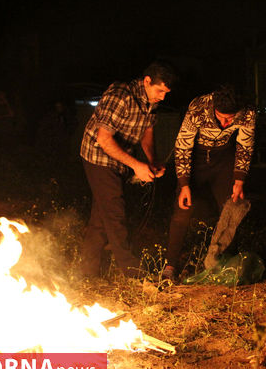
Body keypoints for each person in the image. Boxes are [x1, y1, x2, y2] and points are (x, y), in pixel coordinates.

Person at [79, 61, 176, 278]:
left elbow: (147, 133)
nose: (162, 97)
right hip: (97, 154)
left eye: (166, 93)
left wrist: (151, 161)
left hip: (119, 159)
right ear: (147, 81)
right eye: (159, 90)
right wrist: (136, 165)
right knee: (114, 212)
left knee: (102, 215)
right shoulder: (120, 96)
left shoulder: (151, 102)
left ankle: (86, 273)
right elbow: (103, 139)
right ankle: (133, 272)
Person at [163, 85, 255, 279]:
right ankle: (170, 266)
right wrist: (184, 184)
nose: (224, 123)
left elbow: (245, 145)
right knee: (182, 209)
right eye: (221, 117)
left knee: (231, 207)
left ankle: (225, 262)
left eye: (230, 119)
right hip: (197, 156)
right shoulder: (199, 107)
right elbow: (183, 144)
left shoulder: (247, 111)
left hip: (224, 157)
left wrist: (239, 180)